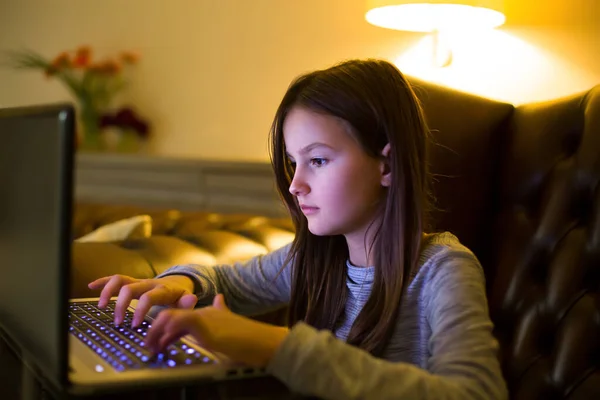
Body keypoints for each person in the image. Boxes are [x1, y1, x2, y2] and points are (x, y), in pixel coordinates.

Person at [88, 59, 508, 400]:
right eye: (293, 162)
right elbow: (223, 281)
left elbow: (478, 393)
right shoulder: (315, 258)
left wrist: (275, 346)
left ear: (388, 164)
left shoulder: (445, 270)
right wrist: (178, 283)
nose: (295, 184)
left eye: (318, 160)